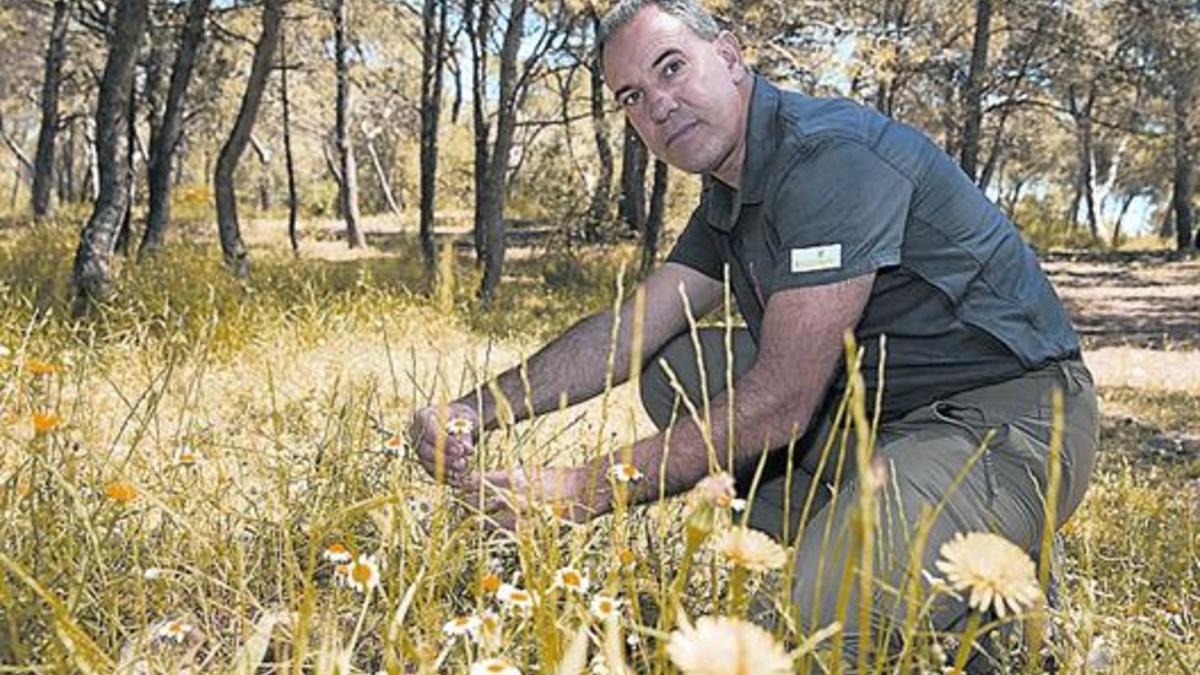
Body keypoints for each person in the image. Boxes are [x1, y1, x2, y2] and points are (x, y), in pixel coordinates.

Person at [409, 0, 1098, 666]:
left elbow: (781, 402)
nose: (658, 104)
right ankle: (908, 545)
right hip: (877, 420)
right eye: (632, 97)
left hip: (1009, 415)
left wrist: (585, 487)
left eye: (671, 68)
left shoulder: (830, 157)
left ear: (731, 56)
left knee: (824, 625)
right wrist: (475, 409)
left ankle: (982, 569)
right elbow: (630, 329)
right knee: (671, 364)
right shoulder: (729, 192)